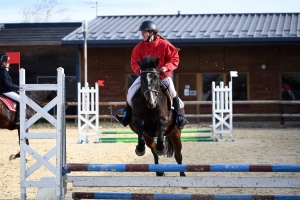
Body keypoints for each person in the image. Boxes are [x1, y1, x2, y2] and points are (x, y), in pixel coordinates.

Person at [114, 20, 188, 130]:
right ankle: (126, 115)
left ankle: (179, 117)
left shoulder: (164, 45)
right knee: (131, 92)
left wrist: (166, 67)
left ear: (152, 33)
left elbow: (174, 59)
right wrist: (140, 70)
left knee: (173, 92)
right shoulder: (139, 47)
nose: (142, 34)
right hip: (146, 77)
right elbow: (134, 62)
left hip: (163, 76)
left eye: (144, 32)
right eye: (142, 32)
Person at [0, 55, 20, 125]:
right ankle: (18, 119)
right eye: (6, 62)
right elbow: (7, 84)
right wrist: (17, 87)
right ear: (3, 63)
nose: (8, 63)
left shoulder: (4, 71)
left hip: (6, 90)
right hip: (6, 91)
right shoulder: (3, 71)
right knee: (21, 100)